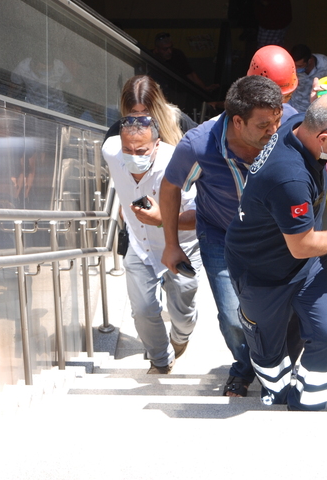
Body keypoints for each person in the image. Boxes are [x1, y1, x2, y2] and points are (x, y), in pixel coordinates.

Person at [224, 93, 327, 411]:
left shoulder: (296, 124)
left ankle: (308, 404)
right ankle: (275, 393)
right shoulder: (289, 178)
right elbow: (302, 244)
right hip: (260, 269)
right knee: (267, 351)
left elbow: (323, 156)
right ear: (324, 137)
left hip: (305, 266)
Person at [160, 76, 283, 398]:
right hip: (220, 236)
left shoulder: (286, 130)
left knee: (279, 311)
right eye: (264, 125)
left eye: (277, 120)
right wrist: (172, 245)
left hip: (275, 236)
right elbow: (170, 187)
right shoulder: (198, 146)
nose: (274, 130)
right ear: (238, 121)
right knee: (232, 315)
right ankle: (243, 369)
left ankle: (274, 367)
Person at [102, 115, 200, 375]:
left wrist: (162, 219)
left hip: (182, 245)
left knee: (183, 310)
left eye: (141, 150)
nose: (134, 155)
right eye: (128, 150)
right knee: (143, 310)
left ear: (157, 145)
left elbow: (200, 217)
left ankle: (180, 337)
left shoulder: (176, 163)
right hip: (139, 243)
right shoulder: (111, 151)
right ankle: (160, 360)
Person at [104, 75, 196, 144]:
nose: (141, 118)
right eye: (134, 113)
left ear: (157, 107)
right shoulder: (116, 132)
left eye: (147, 111)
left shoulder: (178, 121)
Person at [151, 32, 219, 93]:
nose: (170, 52)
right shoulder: (150, 58)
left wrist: (204, 89)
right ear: (156, 49)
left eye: (171, 47)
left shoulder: (177, 55)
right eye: (165, 49)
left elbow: (190, 74)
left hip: (176, 92)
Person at [247, 44, 300, 119]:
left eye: (287, 96)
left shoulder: (291, 116)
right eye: (275, 99)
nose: (281, 103)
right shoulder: (242, 115)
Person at [289, 44, 327, 115]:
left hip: (318, 109)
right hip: (295, 107)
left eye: (300, 66)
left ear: (310, 61)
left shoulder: (325, 65)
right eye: (295, 65)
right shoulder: (290, 66)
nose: (297, 68)